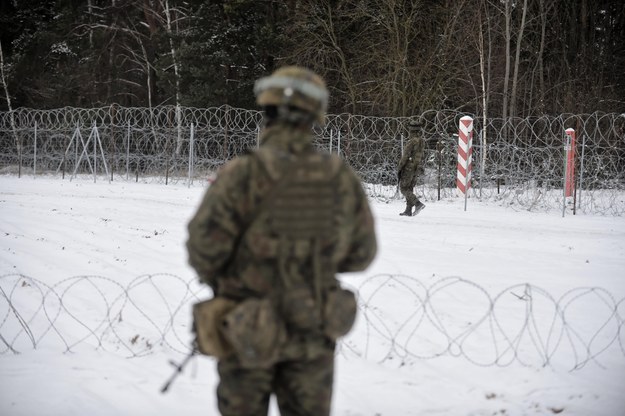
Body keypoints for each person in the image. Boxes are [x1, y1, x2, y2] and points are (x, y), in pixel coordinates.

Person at [186, 66, 377, 416]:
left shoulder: (241, 173)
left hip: (246, 328)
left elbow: (203, 248)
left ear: (267, 111)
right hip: (312, 330)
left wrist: (234, 275)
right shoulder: (339, 178)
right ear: (315, 118)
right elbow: (363, 253)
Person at [397, 120, 426, 216]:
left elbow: (405, 156)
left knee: (404, 188)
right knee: (410, 188)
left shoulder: (411, 142)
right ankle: (408, 210)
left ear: (410, 130)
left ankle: (418, 203)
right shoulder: (421, 141)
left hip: (409, 167)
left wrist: (400, 167)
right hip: (417, 167)